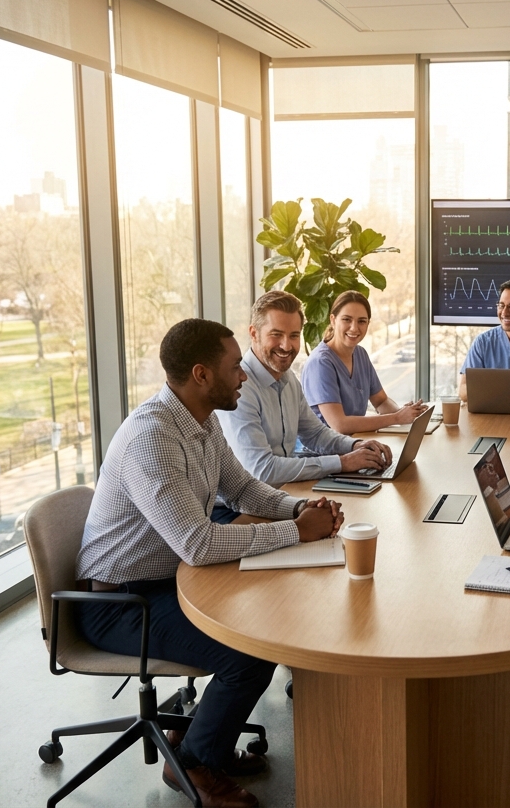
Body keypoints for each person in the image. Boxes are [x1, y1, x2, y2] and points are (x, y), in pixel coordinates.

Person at [76, 318, 346, 808]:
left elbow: (241, 489)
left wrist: (298, 509)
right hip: (121, 603)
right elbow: (197, 544)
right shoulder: (153, 437)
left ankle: (198, 737)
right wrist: (297, 531)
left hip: (168, 578)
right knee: (249, 655)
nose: (243, 375)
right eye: (234, 366)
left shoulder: (200, 420)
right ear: (201, 374)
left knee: (263, 624)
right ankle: (193, 764)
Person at [218, 291, 394, 490]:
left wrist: (356, 445)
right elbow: (262, 471)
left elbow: (315, 434)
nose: (286, 346)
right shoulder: (239, 388)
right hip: (247, 502)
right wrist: (343, 462)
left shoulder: (288, 379)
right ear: (253, 333)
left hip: (283, 491)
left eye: (294, 335)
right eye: (276, 334)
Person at [301, 290, 427, 433]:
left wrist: (406, 414)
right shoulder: (320, 363)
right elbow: (340, 425)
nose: (354, 328)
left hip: (355, 441)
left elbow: (381, 402)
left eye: (361, 321)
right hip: (325, 446)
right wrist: (397, 418)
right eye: (347, 319)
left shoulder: (360, 354)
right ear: (333, 320)